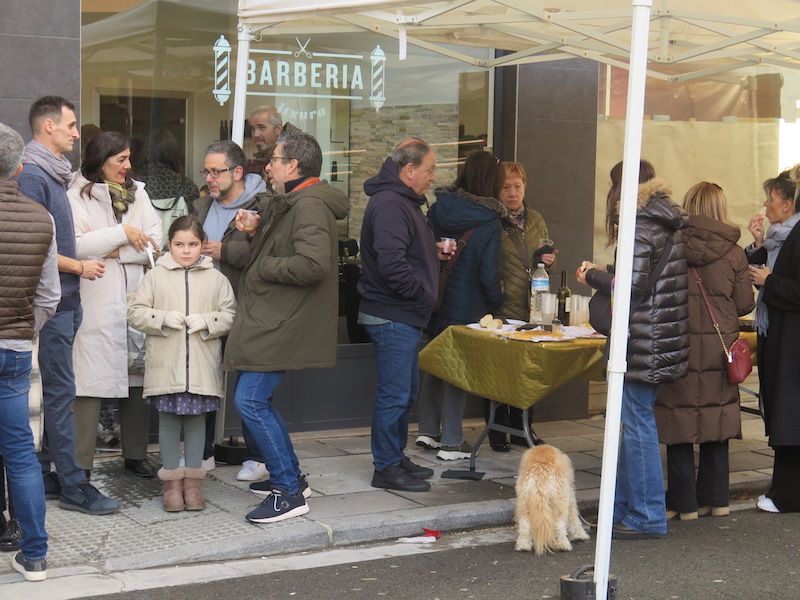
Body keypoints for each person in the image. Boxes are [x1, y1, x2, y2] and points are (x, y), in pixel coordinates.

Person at [225, 131, 349, 523]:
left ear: (293, 165)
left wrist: (262, 266)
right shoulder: (297, 201)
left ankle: (288, 492)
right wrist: (254, 232)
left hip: (281, 320)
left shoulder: (308, 205)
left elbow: (313, 265)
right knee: (257, 399)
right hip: (275, 317)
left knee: (250, 400)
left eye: (274, 160)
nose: (268, 167)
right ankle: (291, 477)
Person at [17, 96, 120, 516]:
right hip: (52, 305)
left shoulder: (51, 172)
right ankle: (75, 486)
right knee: (59, 394)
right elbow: (32, 246)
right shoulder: (33, 175)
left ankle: (48, 475)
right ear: (48, 127)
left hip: (66, 299)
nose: (77, 134)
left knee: (53, 394)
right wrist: (78, 265)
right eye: (72, 125)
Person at [576, 160, 689, 539]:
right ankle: (624, 508)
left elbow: (630, 286)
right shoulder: (662, 219)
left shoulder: (640, 223)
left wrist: (592, 275)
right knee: (631, 424)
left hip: (642, 339)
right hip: (654, 337)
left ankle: (647, 514)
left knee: (636, 425)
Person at [654, 182, 755, 520]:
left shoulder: (671, 245)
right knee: (717, 419)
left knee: (678, 421)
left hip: (677, 342)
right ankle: (717, 499)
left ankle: (683, 504)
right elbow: (744, 303)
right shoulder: (735, 253)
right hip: (719, 347)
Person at [67, 131, 163, 480]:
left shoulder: (140, 193)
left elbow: (155, 243)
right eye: (121, 159)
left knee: (136, 376)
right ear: (101, 160)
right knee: (90, 381)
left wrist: (112, 250)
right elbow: (75, 246)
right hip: (95, 298)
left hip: (135, 295)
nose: (128, 166)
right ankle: (81, 464)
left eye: (129, 158)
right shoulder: (76, 194)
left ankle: (135, 454)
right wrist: (125, 235)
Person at [129, 215, 236, 512]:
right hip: (167, 364)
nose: (186, 250)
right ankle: (172, 484)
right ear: (169, 244)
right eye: (179, 244)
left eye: (192, 244)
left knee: (196, 423)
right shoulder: (155, 276)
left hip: (201, 365)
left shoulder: (217, 279)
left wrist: (208, 321)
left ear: (203, 244)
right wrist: (162, 318)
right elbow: (136, 312)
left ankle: (193, 483)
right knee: (168, 422)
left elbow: (230, 314)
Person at [358, 137, 439, 492]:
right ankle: (386, 467)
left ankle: (395, 456)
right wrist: (422, 295)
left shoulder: (401, 201)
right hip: (394, 314)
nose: (433, 177)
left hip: (401, 313)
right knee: (395, 393)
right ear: (409, 170)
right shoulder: (391, 204)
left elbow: (402, 255)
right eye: (429, 169)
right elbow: (392, 264)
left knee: (405, 391)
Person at [415, 150, 506, 461]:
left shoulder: (440, 208)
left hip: (435, 299)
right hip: (468, 307)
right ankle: (452, 442)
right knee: (458, 369)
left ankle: (428, 430)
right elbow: (489, 274)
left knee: (435, 363)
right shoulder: (490, 220)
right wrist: (497, 302)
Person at [0, 121, 60, 581]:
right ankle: (35, 554)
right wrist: (23, 331)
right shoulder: (43, 218)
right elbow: (50, 296)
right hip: (16, 348)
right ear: (19, 168)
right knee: (20, 451)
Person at [194, 140, 267, 477]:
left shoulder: (263, 205)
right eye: (206, 171)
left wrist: (225, 252)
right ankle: (203, 452)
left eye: (216, 172)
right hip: (206, 307)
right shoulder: (201, 207)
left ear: (237, 172)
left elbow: (266, 255)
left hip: (247, 307)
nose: (209, 178)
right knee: (204, 380)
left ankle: (257, 457)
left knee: (249, 387)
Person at [490, 161, 557, 451]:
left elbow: (544, 258)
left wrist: (548, 261)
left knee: (527, 371)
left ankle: (522, 429)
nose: (512, 192)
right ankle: (497, 430)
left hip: (532, 306)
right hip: (501, 306)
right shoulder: (492, 221)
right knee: (499, 371)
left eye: (517, 186)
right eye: (506, 187)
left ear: (525, 187)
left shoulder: (536, 219)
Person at [745, 164, 800, 514]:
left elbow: (789, 285)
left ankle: (786, 495)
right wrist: (757, 243)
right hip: (780, 335)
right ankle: (781, 491)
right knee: (785, 414)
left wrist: (770, 281)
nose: (766, 205)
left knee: (790, 417)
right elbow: (765, 269)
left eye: (771, 199)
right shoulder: (781, 237)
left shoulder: (796, 236)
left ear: (788, 204)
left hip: (792, 341)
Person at [136, 127, 200, 234]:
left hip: (145, 243)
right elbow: (197, 224)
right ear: (174, 154)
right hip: (180, 243)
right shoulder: (188, 186)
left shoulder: (136, 184)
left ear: (147, 153)